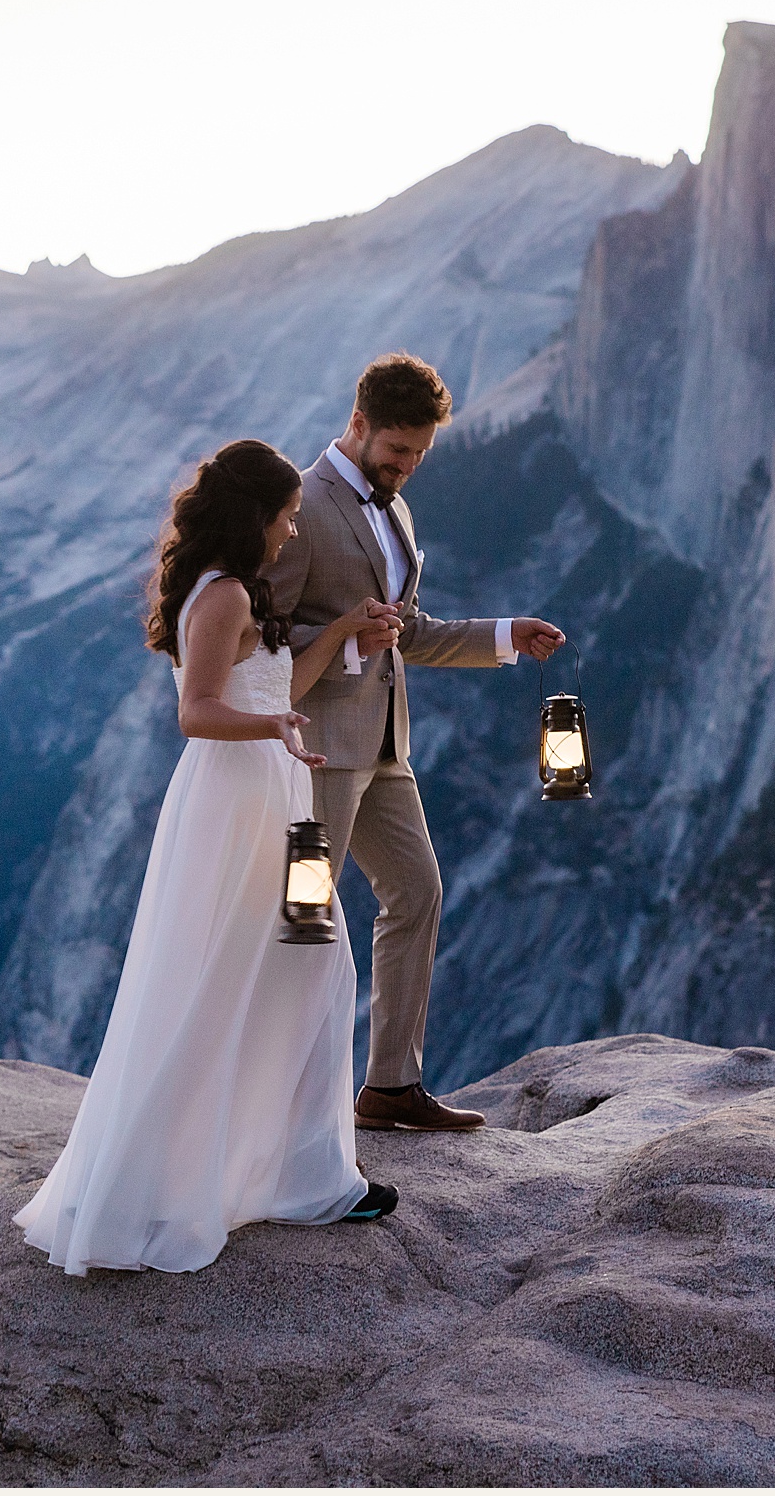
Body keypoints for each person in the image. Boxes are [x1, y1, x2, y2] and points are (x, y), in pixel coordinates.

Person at [16, 440, 398, 1275]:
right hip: (242, 805)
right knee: (263, 974)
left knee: (312, 964)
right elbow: (197, 712)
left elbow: (278, 691)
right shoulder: (220, 595)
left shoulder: (233, 590)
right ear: (254, 516)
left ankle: (292, 1173)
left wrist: (339, 632)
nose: (293, 532)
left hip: (280, 797)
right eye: (288, 517)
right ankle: (282, 1180)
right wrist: (269, 731)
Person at [265, 353, 564, 1131]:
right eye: (398, 451)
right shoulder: (301, 507)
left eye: (421, 456)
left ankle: (390, 1086)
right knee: (303, 921)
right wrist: (349, 635)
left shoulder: (393, 509)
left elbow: (412, 631)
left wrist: (507, 634)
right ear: (357, 422)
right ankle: (283, 1106)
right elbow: (264, 638)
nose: (408, 467)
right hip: (317, 750)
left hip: (386, 750)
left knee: (418, 892)